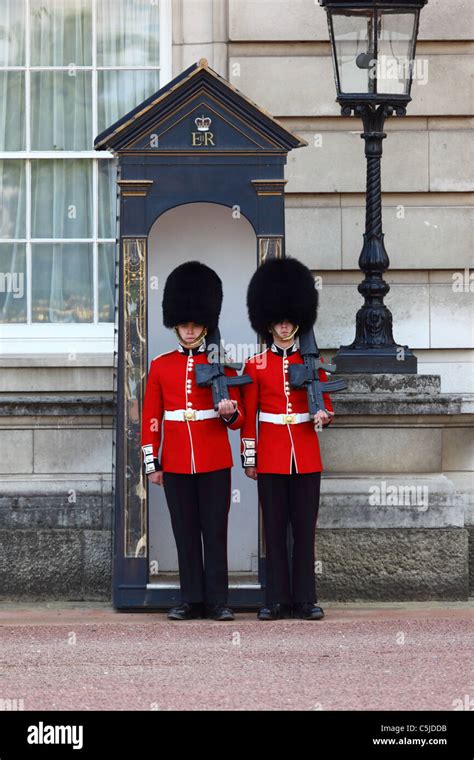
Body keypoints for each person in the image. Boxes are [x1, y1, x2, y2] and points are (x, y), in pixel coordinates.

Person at [141, 261, 244, 621]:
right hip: (177, 461)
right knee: (185, 534)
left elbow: (238, 421)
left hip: (214, 460)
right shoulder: (161, 365)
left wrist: (229, 411)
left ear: (206, 324)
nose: (188, 331)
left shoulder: (225, 366)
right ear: (176, 325)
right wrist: (153, 462)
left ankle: (218, 600)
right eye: (184, 325)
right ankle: (191, 599)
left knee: (214, 533)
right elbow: (151, 418)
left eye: (195, 324)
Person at [240, 257, 334, 621]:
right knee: (275, 531)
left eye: (289, 319)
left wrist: (323, 415)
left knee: (305, 532)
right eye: (279, 320)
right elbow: (249, 421)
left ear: (299, 320)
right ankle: (276, 599)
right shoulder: (256, 365)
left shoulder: (314, 360)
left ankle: (305, 599)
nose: (284, 325)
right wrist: (251, 459)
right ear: (269, 323)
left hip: (306, 454)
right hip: (272, 455)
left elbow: (326, 402)